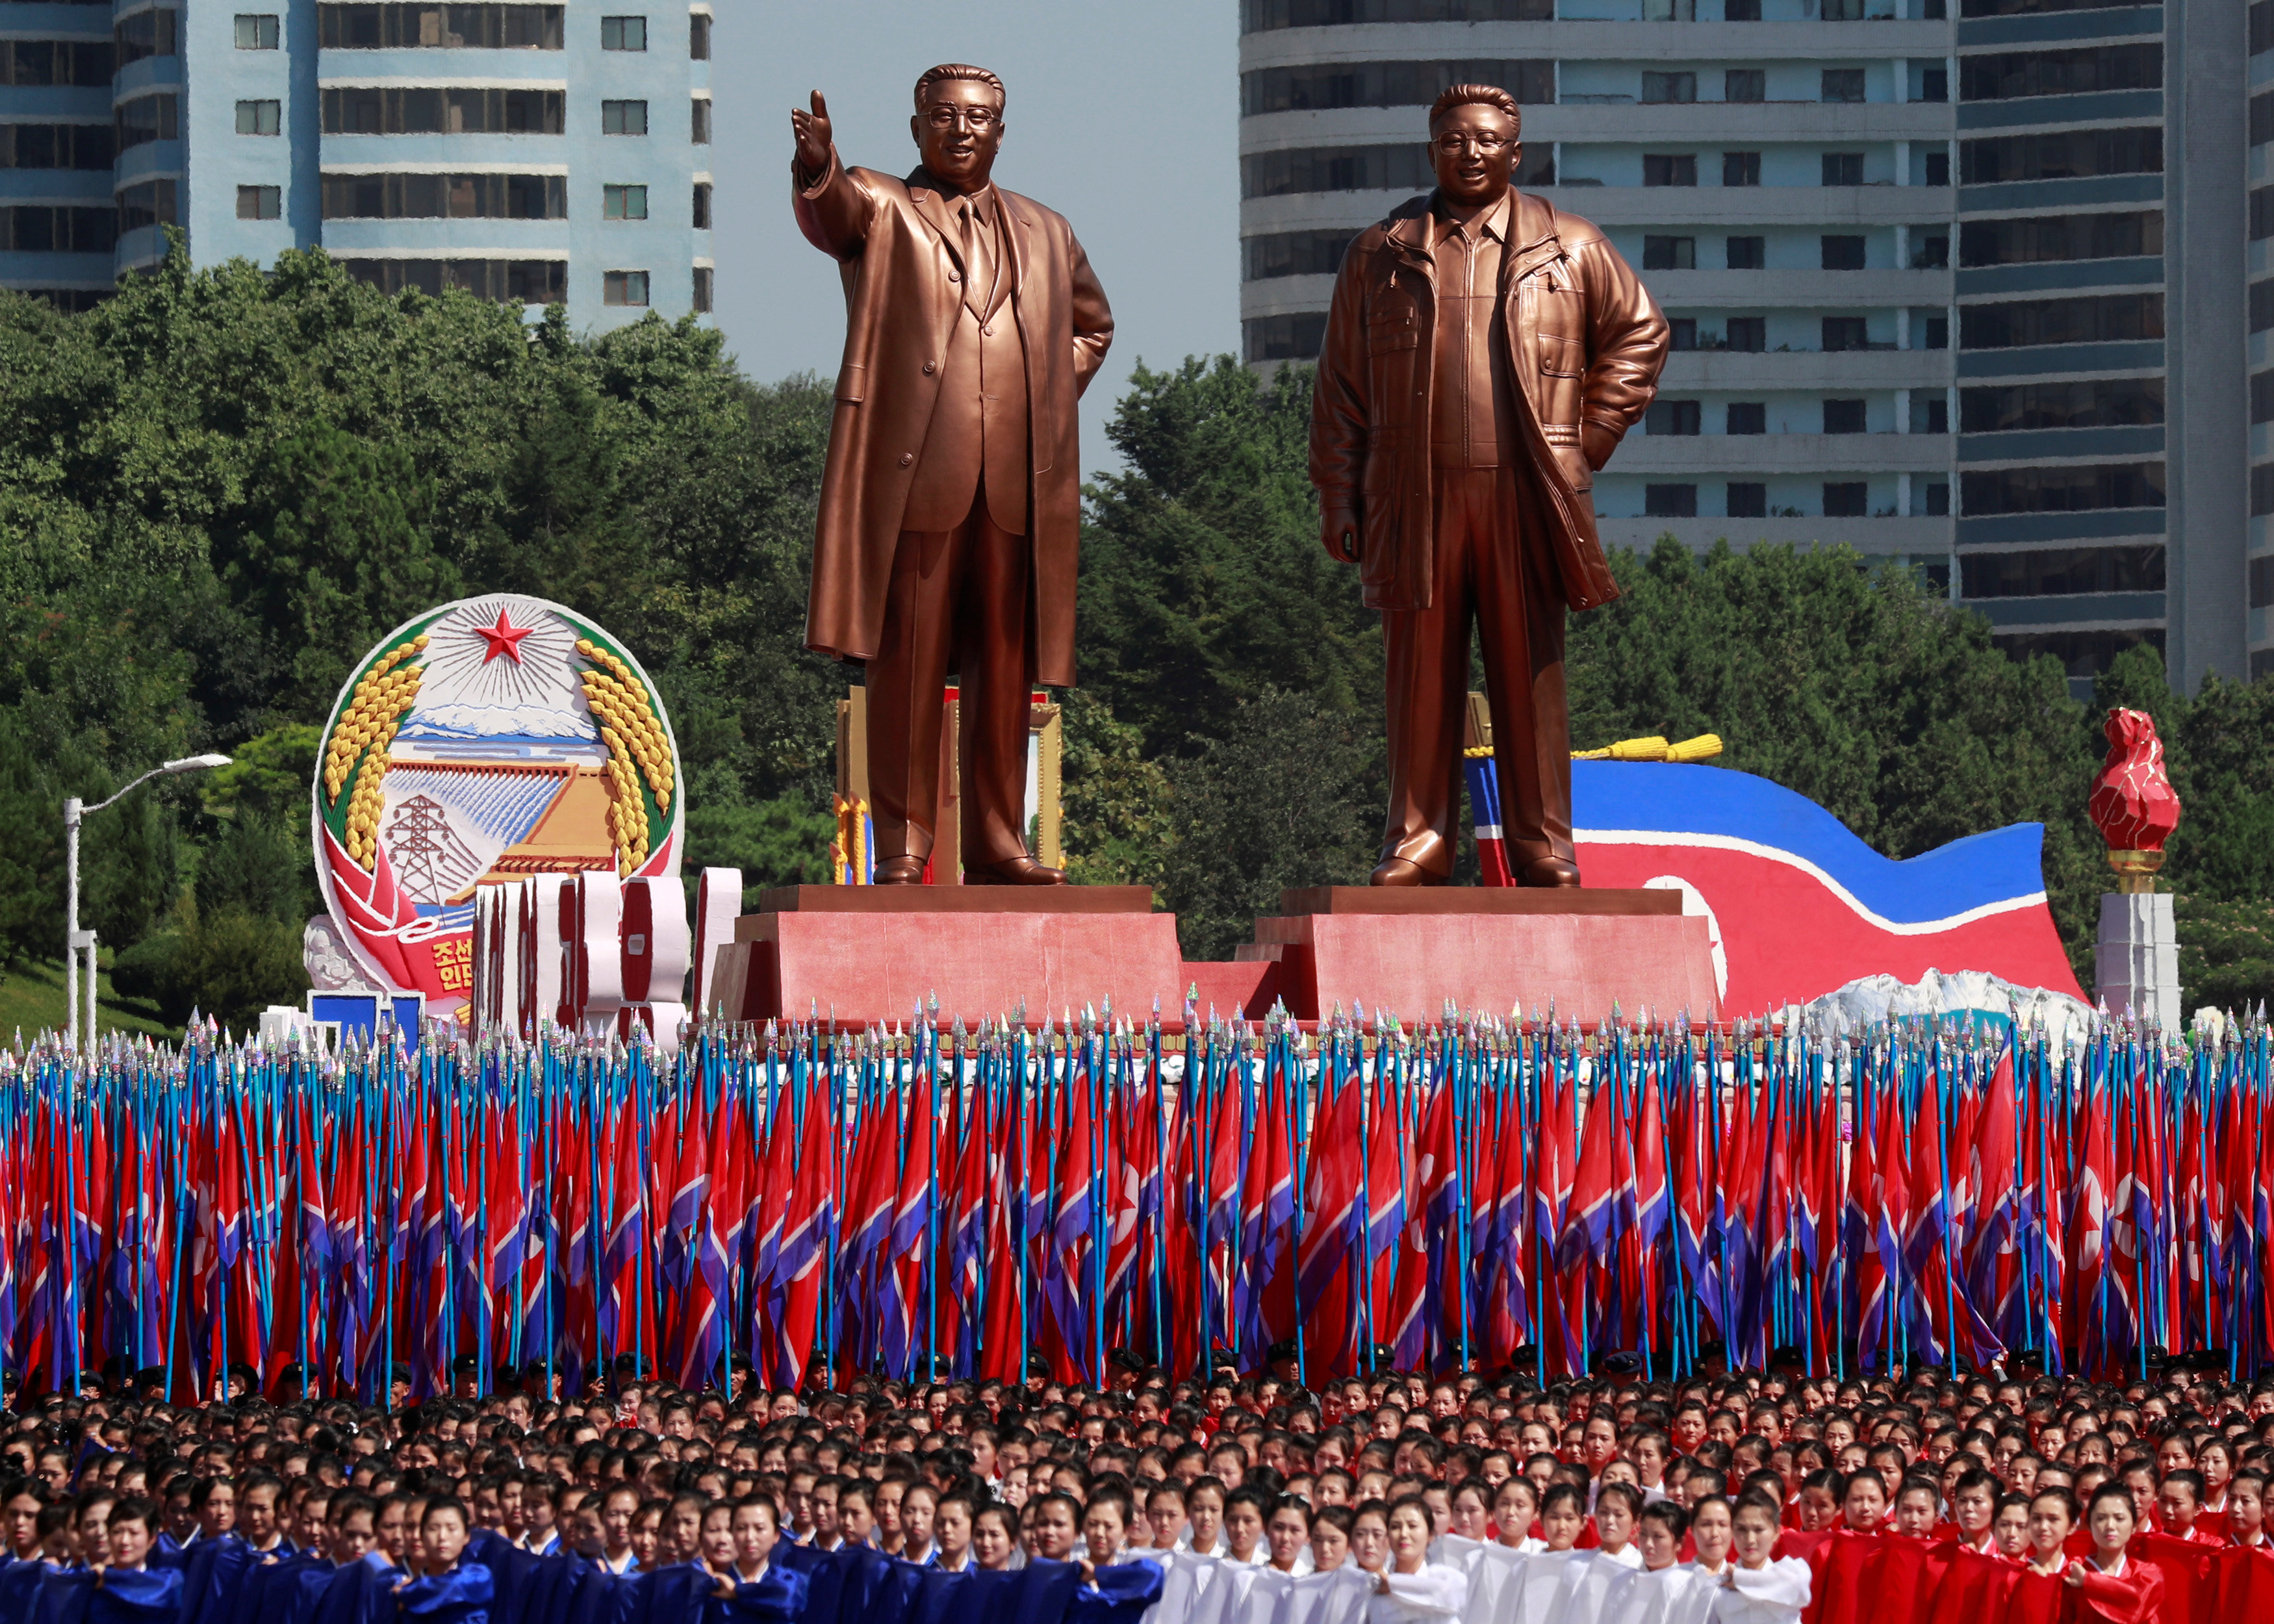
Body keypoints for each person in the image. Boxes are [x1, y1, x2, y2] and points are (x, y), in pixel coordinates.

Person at [1309, 81, 1667, 889]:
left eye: (1484, 141)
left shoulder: (1568, 246)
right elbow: (1338, 387)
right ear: (1429, 148)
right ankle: (1417, 838)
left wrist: (1588, 440)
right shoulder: (1381, 251)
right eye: (1452, 140)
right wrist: (1338, 495)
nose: (1468, 154)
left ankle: (1543, 844)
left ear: (1515, 152)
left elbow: (1640, 333)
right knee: (1418, 677)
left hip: (1522, 495)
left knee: (1528, 672)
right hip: (1413, 495)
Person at [787, 62, 1114, 887]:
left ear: (1001, 132)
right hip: (918, 479)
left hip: (1015, 485)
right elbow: (833, 217)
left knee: (1005, 666)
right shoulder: (885, 205)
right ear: (916, 129)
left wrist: (1042, 391)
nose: (960, 130)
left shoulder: (1047, 230)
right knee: (908, 665)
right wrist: (817, 167)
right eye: (944, 116)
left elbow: (1092, 328)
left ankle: (999, 837)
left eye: (977, 118)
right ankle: (903, 842)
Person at [2062, 1483, 2164, 1623]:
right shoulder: (2073, 1572)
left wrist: (2088, 1581)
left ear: (2134, 1526)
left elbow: (2138, 1602)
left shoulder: (2148, 1575)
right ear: (2090, 1525)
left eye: (2119, 1518)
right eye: (2101, 1518)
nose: (2110, 1526)